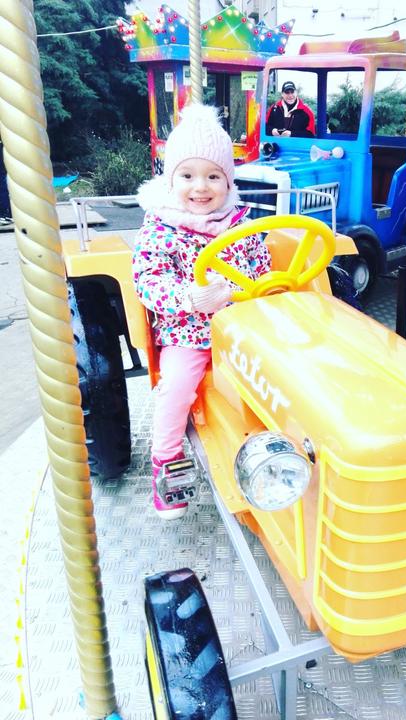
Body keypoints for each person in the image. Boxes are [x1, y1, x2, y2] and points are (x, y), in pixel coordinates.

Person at [133, 104, 272, 520]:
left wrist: (242, 291)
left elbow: (262, 270)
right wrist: (190, 298)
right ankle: (166, 461)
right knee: (177, 387)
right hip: (189, 332)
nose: (201, 187)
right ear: (170, 179)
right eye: (188, 175)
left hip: (243, 326)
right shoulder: (160, 228)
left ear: (228, 181)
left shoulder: (241, 225)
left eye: (214, 176)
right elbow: (148, 282)